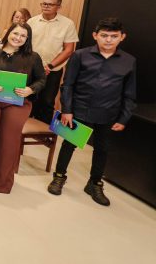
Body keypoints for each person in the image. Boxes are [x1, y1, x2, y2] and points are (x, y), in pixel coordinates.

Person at [47, 18, 136, 206]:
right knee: (69, 144)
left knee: (102, 149)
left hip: (108, 113)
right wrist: (67, 110)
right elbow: (68, 85)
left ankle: (94, 183)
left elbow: (129, 93)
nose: (108, 40)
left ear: (122, 37)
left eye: (114, 36)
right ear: (95, 36)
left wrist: (124, 117)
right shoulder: (80, 55)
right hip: (79, 110)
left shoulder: (129, 61)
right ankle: (59, 177)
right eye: (104, 36)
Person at [0, 23, 46, 193]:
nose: (18, 38)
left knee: (9, 137)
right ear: (8, 32)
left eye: (23, 36)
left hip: (18, 102)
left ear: (27, 39)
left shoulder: (33, 57)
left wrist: (29, 89)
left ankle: (1, 180)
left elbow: (41, 80)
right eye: (15, 33)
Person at [28, 0, 79, 124]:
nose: (46, 6)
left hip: (53, 70)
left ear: (59, 7)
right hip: (31, 68)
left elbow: (68, 50)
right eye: (44, 3)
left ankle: (42, 134)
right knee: (28, 98)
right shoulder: (32, 22)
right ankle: (24, 129)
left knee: (47, 101)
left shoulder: (67, 24)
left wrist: (49, 66)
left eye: (50, 4)